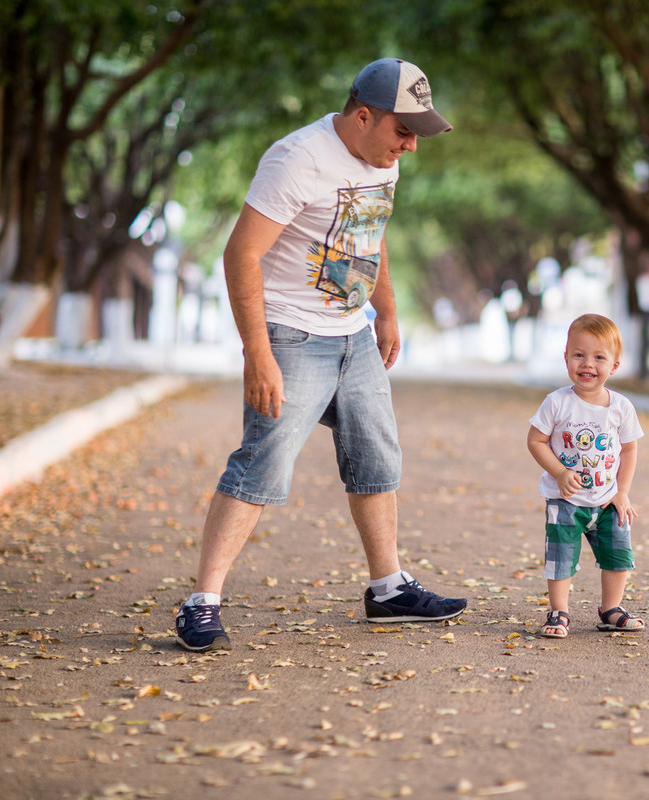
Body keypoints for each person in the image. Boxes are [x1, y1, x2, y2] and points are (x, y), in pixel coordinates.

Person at [175, 58, 467, 652]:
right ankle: (201, 602)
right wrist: (258, 353)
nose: (410, 146)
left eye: (416, 134)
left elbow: (372, 233)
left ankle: (388, 590)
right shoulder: (297, 159)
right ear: (363, 117)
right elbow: (241, 254)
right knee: (261, 464)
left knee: (376, 456)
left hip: (352, 334)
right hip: (292, 335)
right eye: (402, 131)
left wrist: (386, 311)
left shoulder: (382, 160)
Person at [526, 314, 645, 638]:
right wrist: (559, 472)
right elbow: (535, 441)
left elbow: (629, 449)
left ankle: (611, 609)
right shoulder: (557, 402)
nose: (587, 364)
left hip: (608, 500)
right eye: (579, 355)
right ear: (566, 358)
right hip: (565, 499)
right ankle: (559, 611)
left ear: (614, 365)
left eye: (599, 357)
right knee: (561, 557)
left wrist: (622, 492)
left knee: (618, 554)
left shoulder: (621, 407)